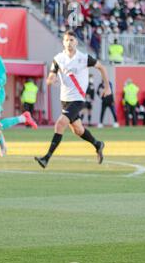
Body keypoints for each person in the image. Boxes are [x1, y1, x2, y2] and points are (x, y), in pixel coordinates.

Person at [34, 30, 109, 169]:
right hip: (65, 99)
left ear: (76, 42)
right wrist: (51, 80)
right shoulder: (58, 58)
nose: (69, 43)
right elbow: (52, 74)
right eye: (67, 40)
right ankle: (98, 144)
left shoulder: (84, 58)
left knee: (60, 124)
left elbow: (102, 67)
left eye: (72, 40)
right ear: (63, 42)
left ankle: (46, 158)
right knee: (78, 130)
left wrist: (107, 87)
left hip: (78, 99)